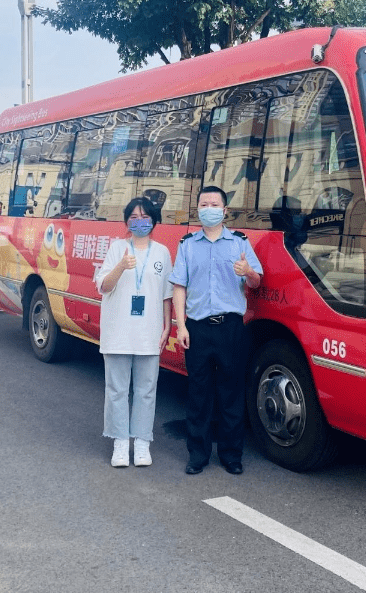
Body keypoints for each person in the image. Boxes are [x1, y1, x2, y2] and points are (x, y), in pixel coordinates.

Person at [171, 186, 262, 475]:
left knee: (231, 394)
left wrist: (248, 271)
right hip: (197, 328)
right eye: (203, 204)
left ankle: (231, 455)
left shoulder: (239, 242)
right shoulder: (187, 244)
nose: (208, 208)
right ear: (198, 209)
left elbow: (257, 282)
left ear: (225, 211)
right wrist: (181, 326)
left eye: (214, 204)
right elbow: (179, 288)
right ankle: (197, 455)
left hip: (231, 328)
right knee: (198, 394)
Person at [94, 197, 173, 468]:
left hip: (148, 332)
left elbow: (166, 295)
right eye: (134, 217)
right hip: (118, 331)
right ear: (127, 221)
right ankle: (119, 442)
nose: (140, 221)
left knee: (146, 390)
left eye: (145, 216)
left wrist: (167, 326)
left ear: (154, 220)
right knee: (116, 389)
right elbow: (103, 286)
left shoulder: (162, 252)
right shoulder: (117, 248)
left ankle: (141, 442)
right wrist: (120, 267)